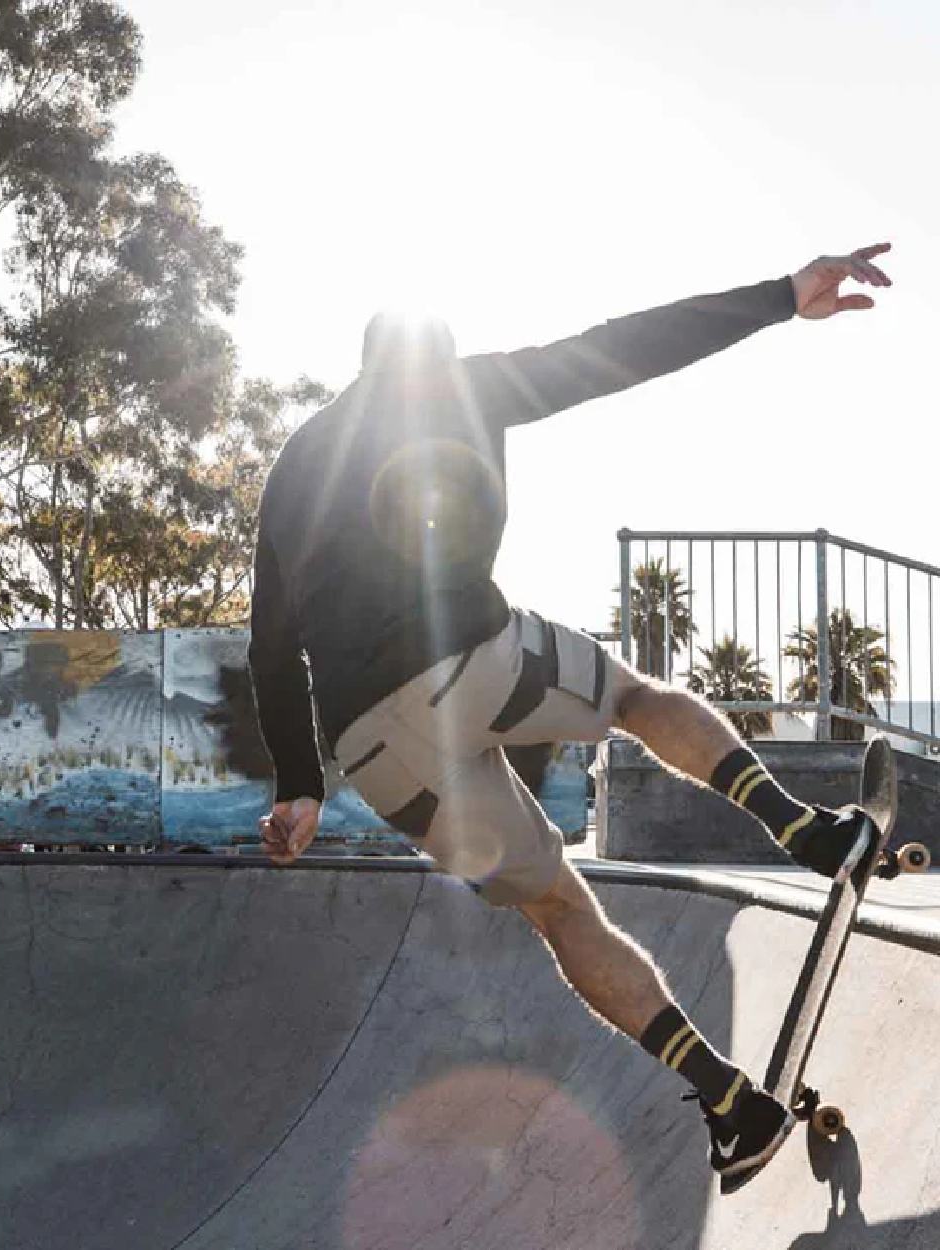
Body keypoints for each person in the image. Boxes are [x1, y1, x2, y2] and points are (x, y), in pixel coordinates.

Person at [248, 243, 892, 1185]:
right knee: (629, 696)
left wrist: (300, 789)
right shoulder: (467, 385)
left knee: (556, 907)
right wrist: (781, 298)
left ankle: (729, 1102)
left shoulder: (296, 462)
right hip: (464, 656)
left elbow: (270, 648)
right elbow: (626, 347)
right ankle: (803, 831)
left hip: (371, 749)